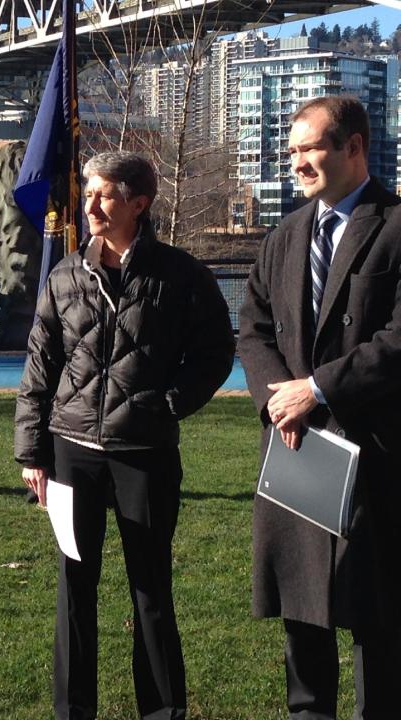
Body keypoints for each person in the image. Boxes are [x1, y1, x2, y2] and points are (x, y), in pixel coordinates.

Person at [15, 151, 235, 720]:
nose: (89, 205)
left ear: (139, 203)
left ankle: (162, 712)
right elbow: (40, 366)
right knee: (74, 590)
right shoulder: (64, 274)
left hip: (146, 455)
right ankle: (73, 711)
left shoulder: (180, 275)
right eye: (88, 192)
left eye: (104, 194)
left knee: (151, 593)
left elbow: (216, 352)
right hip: (71, 454)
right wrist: (32, 453)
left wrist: (169, 403)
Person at [238, 95, 401, 718]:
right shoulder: (284, 236)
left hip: (373, 457)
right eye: (292, 151)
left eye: (309, 148)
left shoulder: (395, 226)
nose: (296, 162)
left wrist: (320, 389)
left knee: (377, 623)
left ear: (354, 146)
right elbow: (251, 331)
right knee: (304, 619)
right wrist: (280, 398)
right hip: (297, 451)